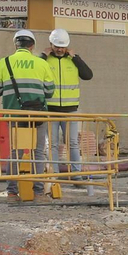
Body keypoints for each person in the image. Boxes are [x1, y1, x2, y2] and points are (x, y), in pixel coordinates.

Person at [0, 30, 55, 197]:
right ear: (32, 46)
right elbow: (50, 91)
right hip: (38, 116)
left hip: (14, 114)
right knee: (37, 152)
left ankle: (12, 191)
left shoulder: (5, 62)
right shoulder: (41, 63)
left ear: (15, 45)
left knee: (15, 152)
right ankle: (38, 191)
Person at [39, 29, 95, 194]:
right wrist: (43, 55)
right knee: (53, 144)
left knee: (73, 143)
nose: (59, 49)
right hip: (51, 109)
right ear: (51, 45)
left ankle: (76, 176)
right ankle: (55, 176)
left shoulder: (73, 61)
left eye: (62, 47)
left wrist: (76, 58)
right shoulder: (45, 61)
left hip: (70, 110)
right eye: (57, 46)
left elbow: (88, 75)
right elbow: (34, 71)